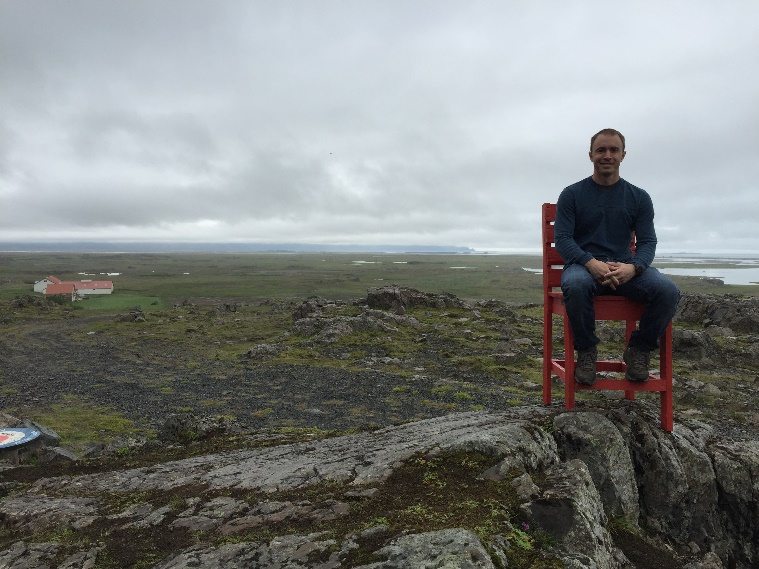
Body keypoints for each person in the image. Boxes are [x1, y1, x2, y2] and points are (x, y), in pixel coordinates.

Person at [554, 128, 680, 384]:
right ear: (590, 155)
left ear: (623, 155)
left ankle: (639, 351)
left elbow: (647, 242)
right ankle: (587, 352)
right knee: (575, 285)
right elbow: (563, 239)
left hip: (626, 267)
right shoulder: (571, 194)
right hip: (584, 267)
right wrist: (591, 263)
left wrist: (634, 268)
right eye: (601, 150)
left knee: (668, 291)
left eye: (614, 150)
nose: (607, 155)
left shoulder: (639, 198)